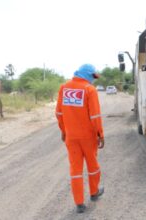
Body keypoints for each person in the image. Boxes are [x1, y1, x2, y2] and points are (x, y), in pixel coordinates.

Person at [55, 64, 105, 213]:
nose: (93, 80)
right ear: (87, 75)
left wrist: (64, 131)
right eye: (93, 76)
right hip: (88, 137)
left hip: (71, 137)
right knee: (93, 166)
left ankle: (79, 204)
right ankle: (94, 193)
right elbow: (95, 116)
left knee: (75, 169)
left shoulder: (64, 88)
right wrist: (100, 134)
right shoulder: (90, 90)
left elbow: (59, 113)